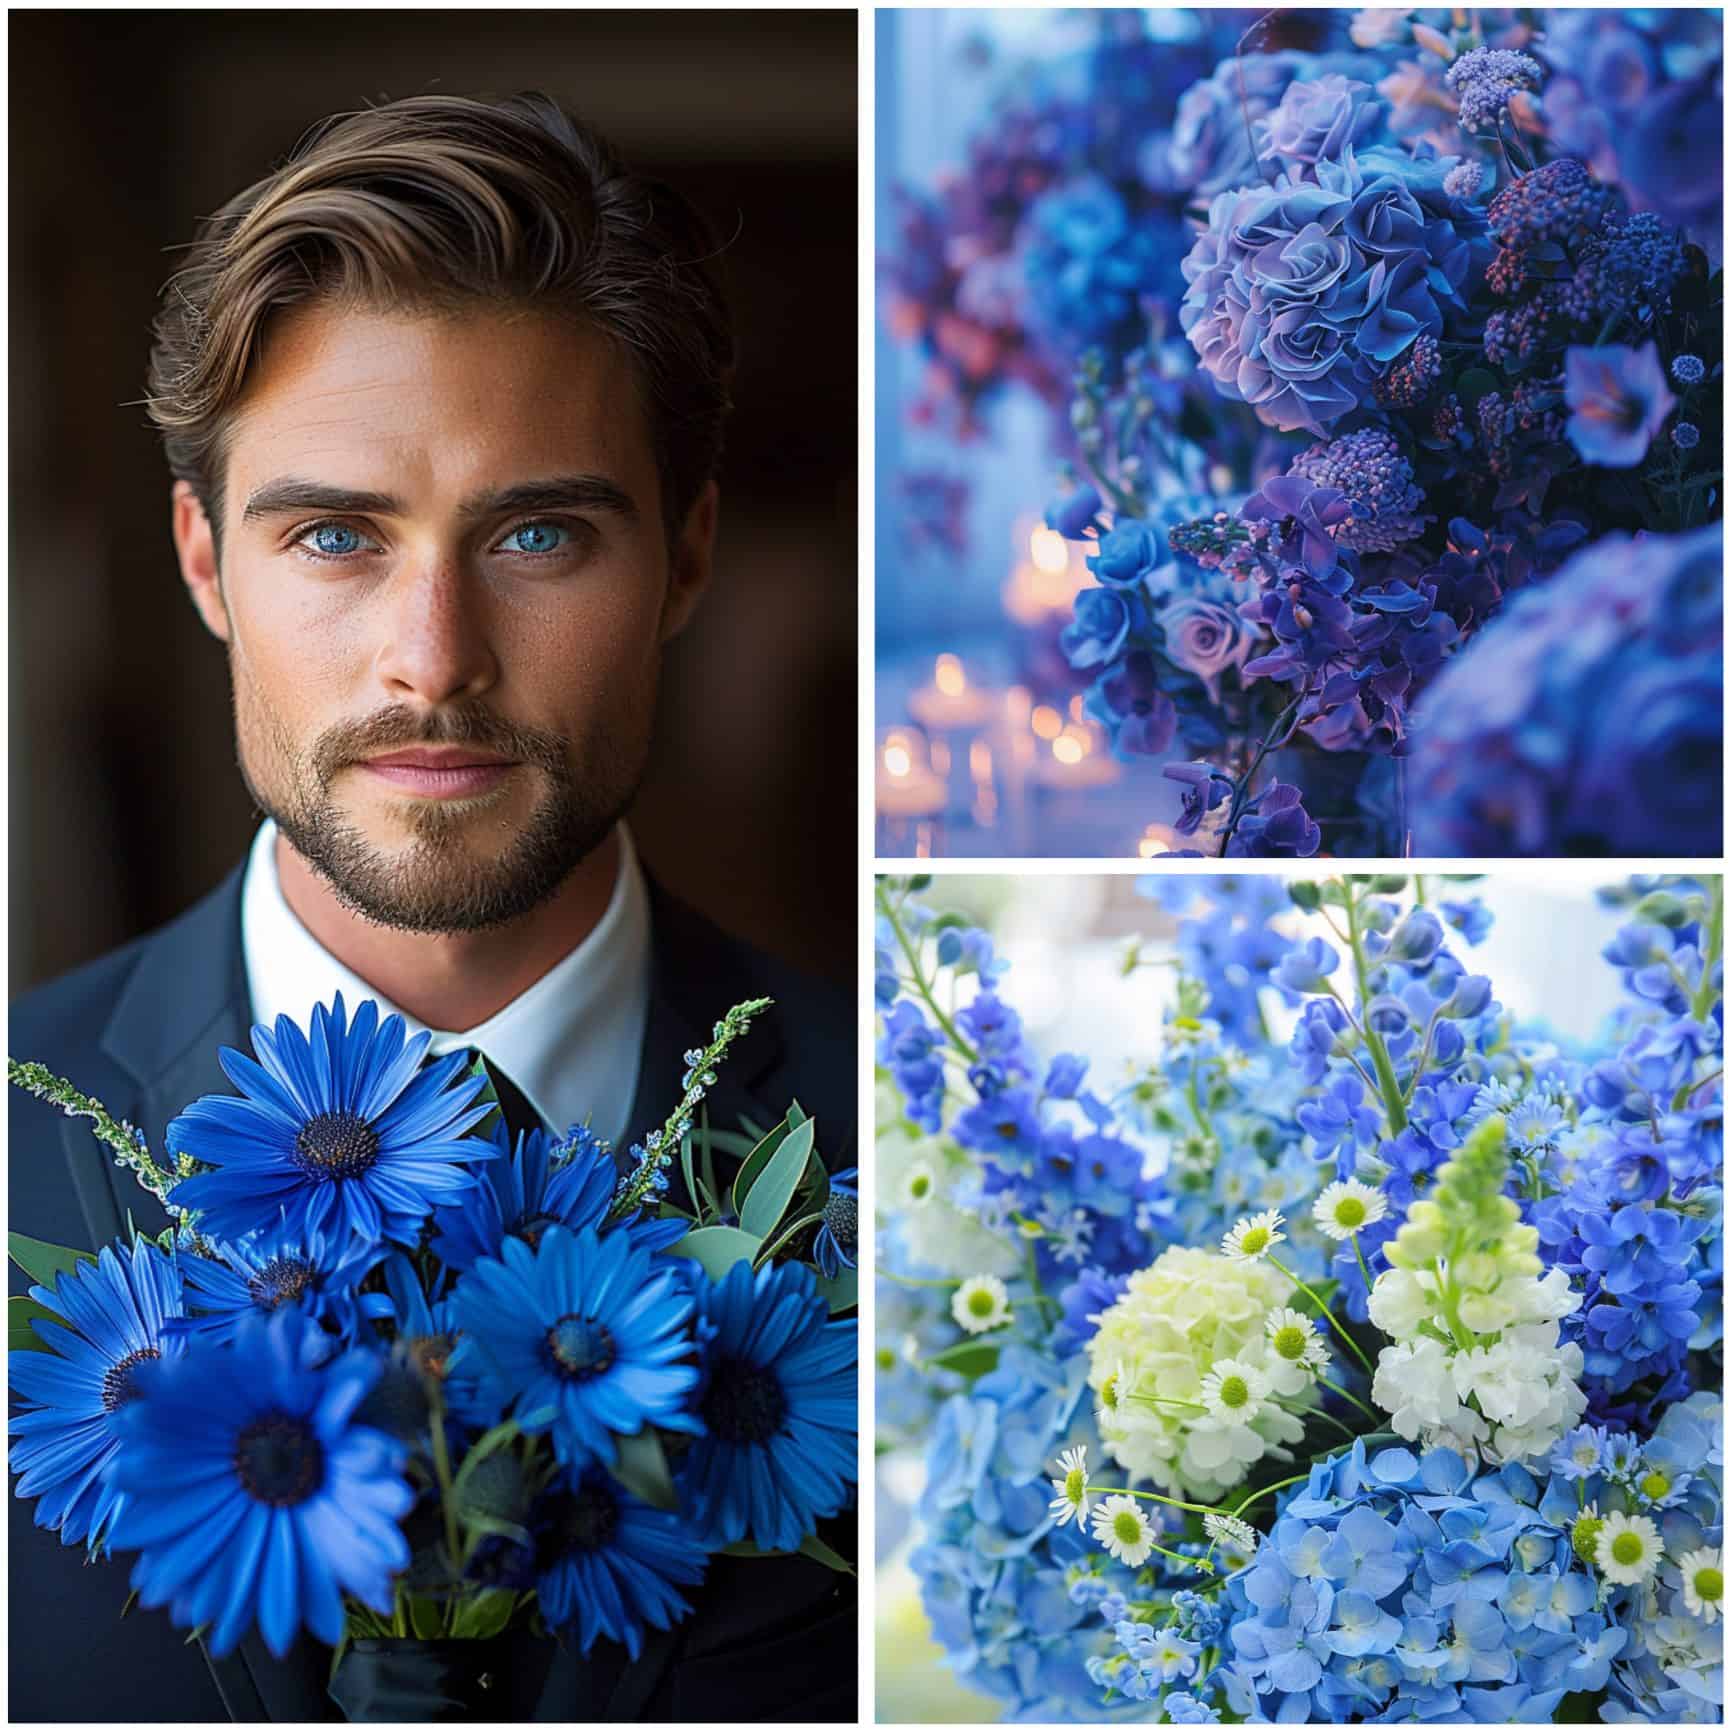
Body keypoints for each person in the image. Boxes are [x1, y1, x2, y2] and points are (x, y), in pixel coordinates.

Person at [8, 92, 855, 1723]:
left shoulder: (920, 1142)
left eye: (539, 532)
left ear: (685, 560)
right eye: (334, 534)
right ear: (204, 560)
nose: (434, 656)